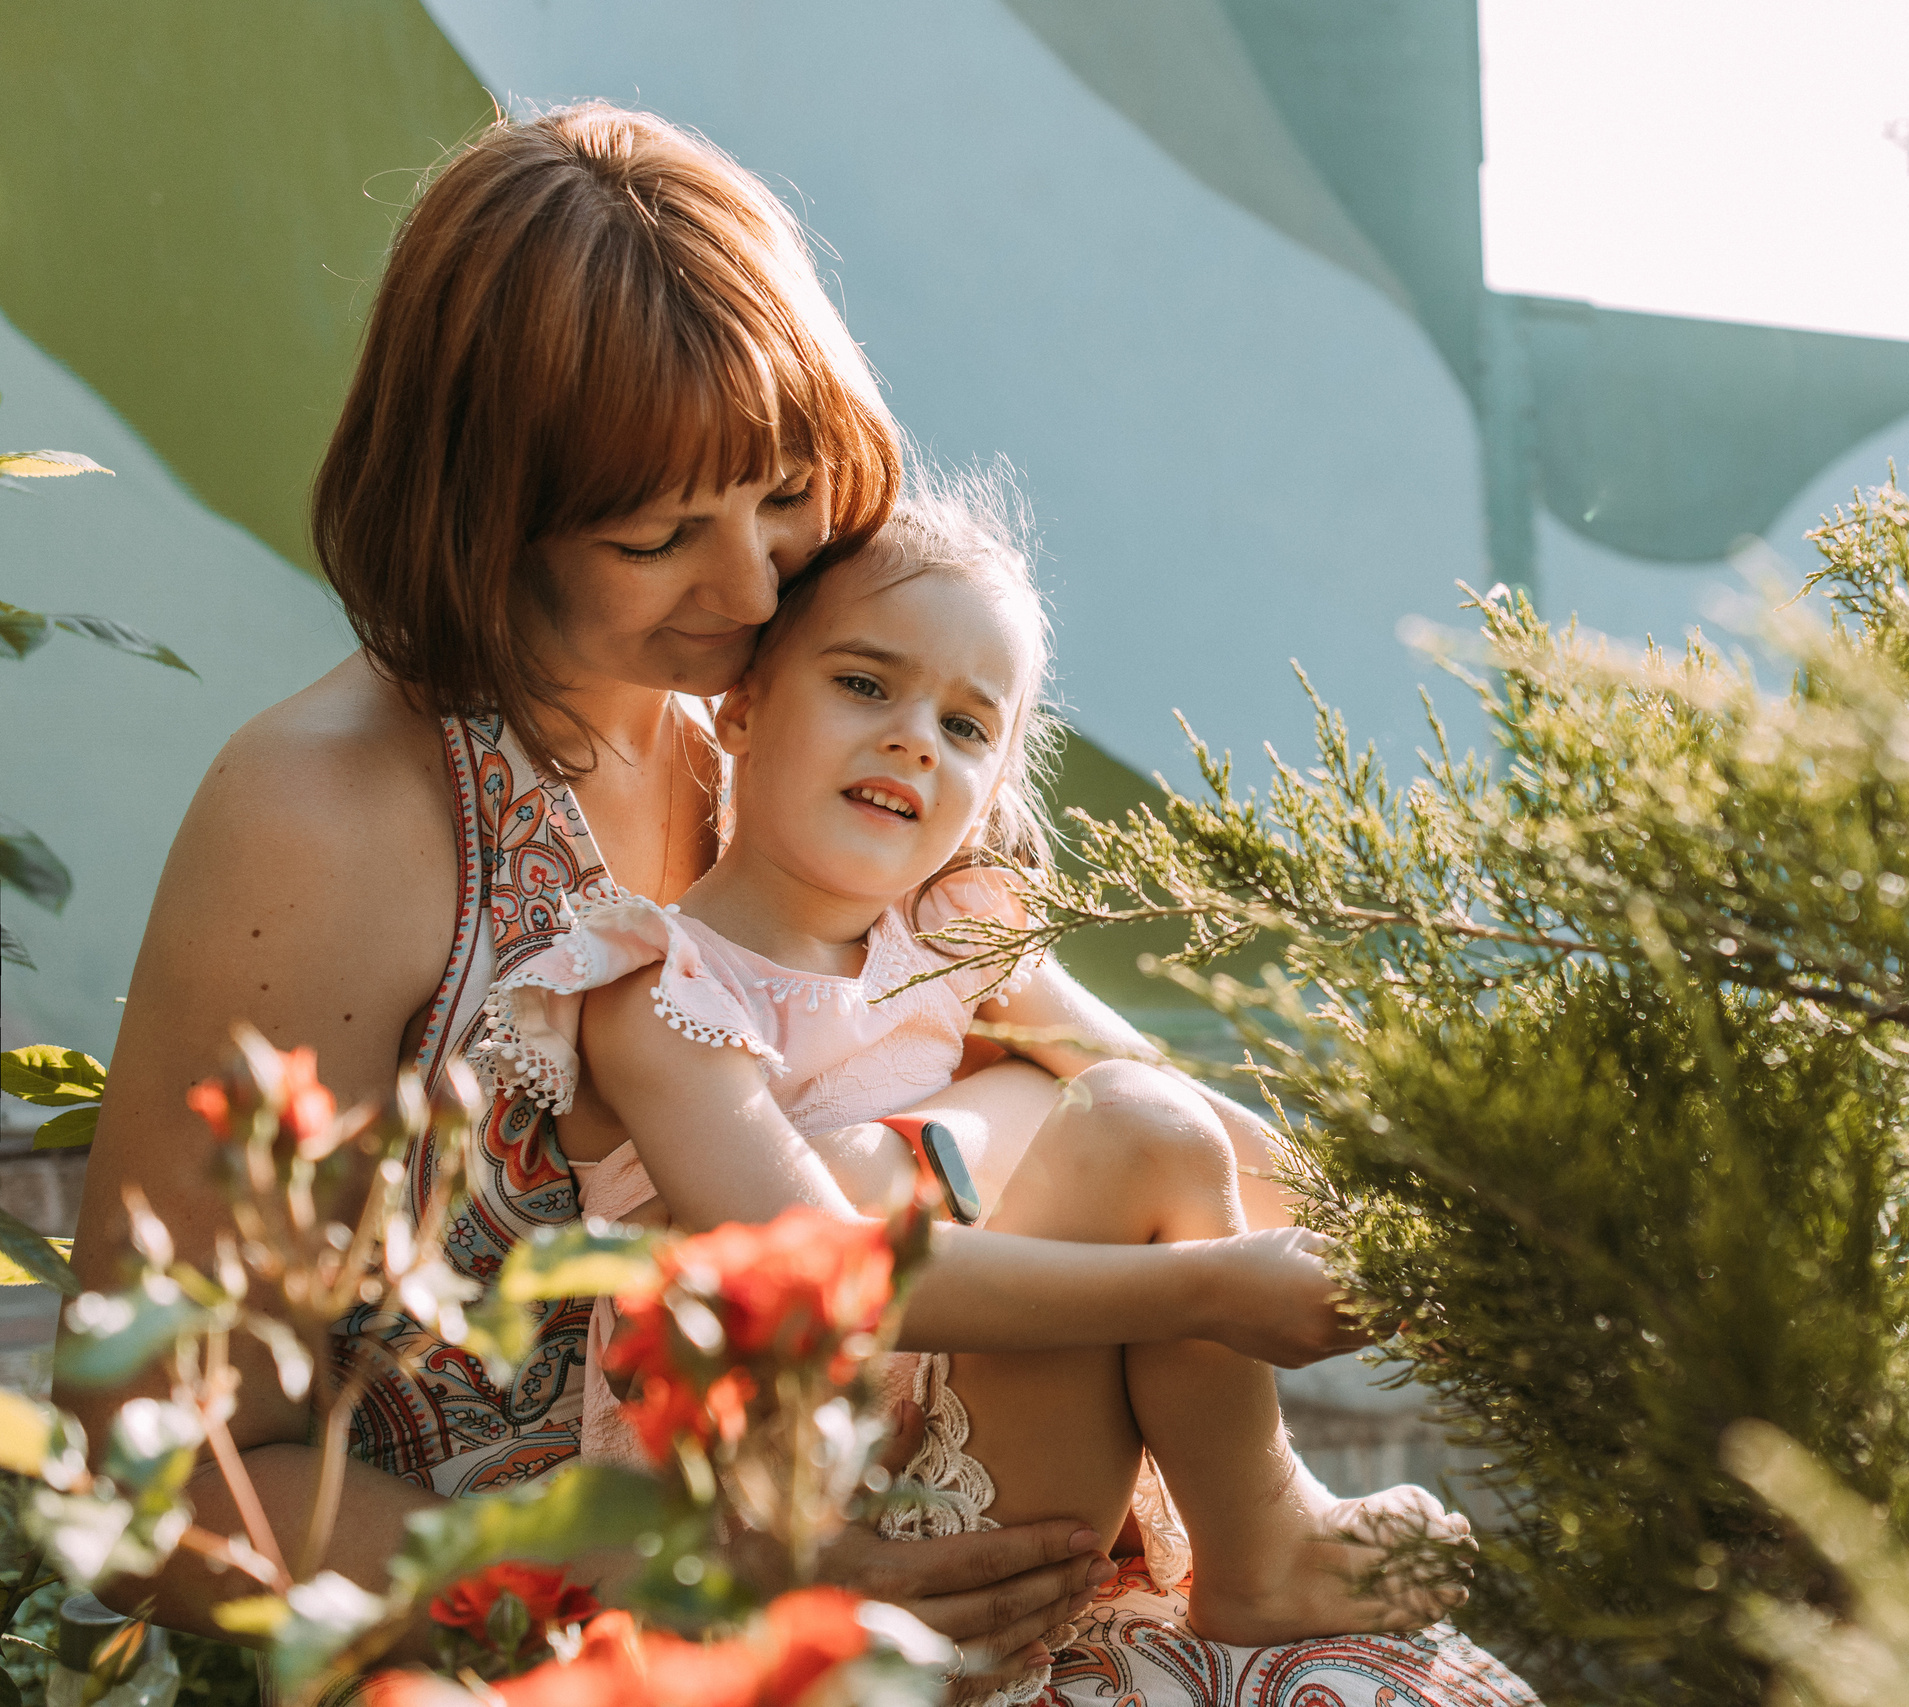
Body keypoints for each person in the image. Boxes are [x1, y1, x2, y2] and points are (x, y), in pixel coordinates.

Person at [64, 104, 1366, 1687]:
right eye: (658, 536)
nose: (755, 592)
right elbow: (163, 1488)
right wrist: (703, 1577)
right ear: (487, 513)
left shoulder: (810, 728)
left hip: (970, 1530)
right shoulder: (320, 817)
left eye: (782, 495)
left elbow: (1130, 1116)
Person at [473, 486, 1473, 1692]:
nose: (912, 740)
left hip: (997, 1451)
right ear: (739, 709)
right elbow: (823, 1272)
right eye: (863, 684)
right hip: (816, 1531)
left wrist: (1407, 1248)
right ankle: (1258, 1530)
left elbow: (1178, 1108)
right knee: (1094, 1134)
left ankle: (1260, 1533)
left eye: (964, 726)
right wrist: (1206, 1283)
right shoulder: (660, 989)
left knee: (1142, 1117)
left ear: (991, 787)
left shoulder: (958, 930)